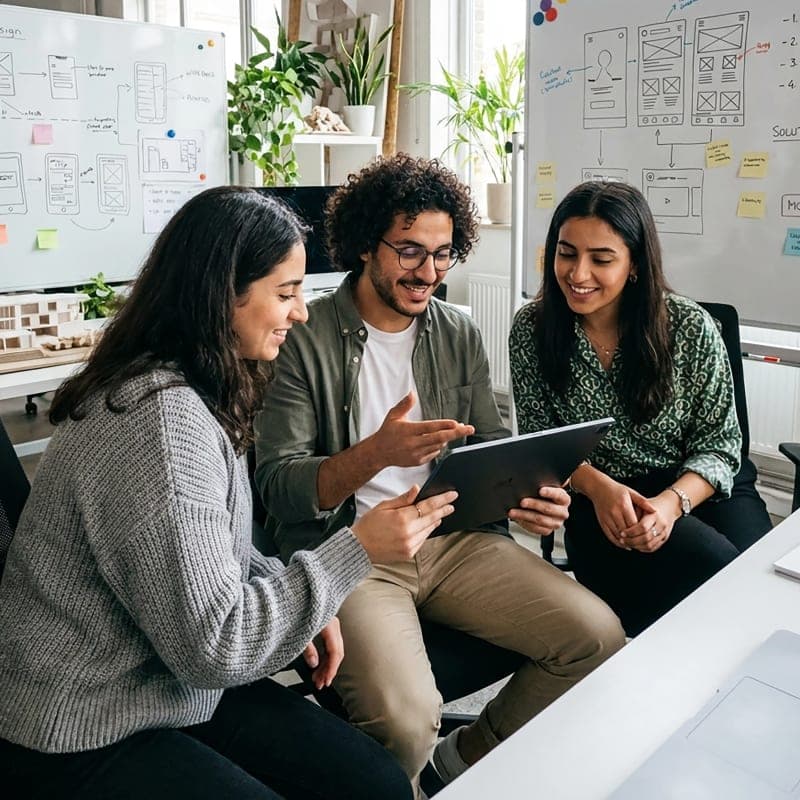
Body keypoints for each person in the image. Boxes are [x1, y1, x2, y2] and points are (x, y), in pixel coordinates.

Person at [0, 185, 465, 800]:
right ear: (223, 295)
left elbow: (204, 542)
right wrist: (350, 554)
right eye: (286, 292)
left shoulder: (198, 384)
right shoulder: (162, 424)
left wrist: (297, 592)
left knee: (372, 781)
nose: (300, 312)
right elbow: (215, 645)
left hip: (164, 679)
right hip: (86, 719)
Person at [254, 154, 625, 791]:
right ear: (366, 245)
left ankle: (466, 759)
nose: (428, 272)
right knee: (406, 721)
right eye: (409, 251)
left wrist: (531, 497)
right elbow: (279, 489)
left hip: (456, 540)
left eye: (443, 253)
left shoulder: (458, 331)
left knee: (597, 640)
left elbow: (495, 445)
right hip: (353, 550)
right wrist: (377, 453)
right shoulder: (303, 334)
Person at [509, 180, 773, 637]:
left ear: (634, 264)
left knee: (756, 587)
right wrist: (600, 487)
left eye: (602, 259)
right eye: (567, 253)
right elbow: (541, 444)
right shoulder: (533, 330)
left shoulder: (691, 326)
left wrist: (671, 505)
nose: (578, 273)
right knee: (711, 575)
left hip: (700, 482)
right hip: (600, 496)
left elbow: (723, 445)